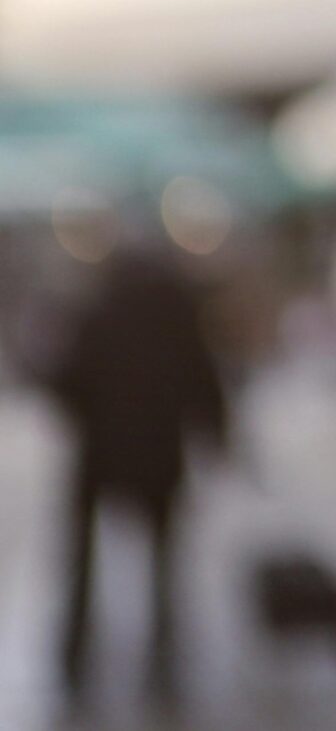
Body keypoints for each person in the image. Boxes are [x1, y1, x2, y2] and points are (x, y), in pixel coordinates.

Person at [41, 226, 233, 710]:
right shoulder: (178, 315)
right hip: (158, 456)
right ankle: (162, 661)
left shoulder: (96, 310)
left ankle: (75, 661)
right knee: (164, 566)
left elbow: (64, 382)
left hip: (100, 457)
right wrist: (219, 437)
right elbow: (205, 382)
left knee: (83, 567)